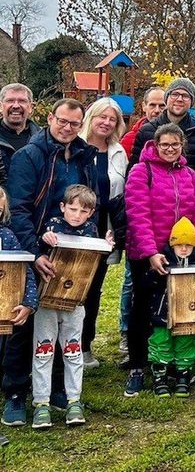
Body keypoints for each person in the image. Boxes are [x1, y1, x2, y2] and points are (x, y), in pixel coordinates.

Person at [3, 98, 97, 426]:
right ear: (50, 118)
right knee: (23, 324)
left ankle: (57, 387)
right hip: (35, 250)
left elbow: (91, 200)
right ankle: (15, 393)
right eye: (62, 121)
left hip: (72, 254)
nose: (67, 128)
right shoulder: (31, 155)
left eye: (74, 123)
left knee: (62, 323)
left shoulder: (86, 155)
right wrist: (35, 253)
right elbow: (19, 208)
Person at [123, 123, 195, 398]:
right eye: (165, 145)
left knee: (177, 309)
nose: (170, 149)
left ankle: (174, 364)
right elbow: (138, 214)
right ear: (155, 145)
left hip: (182, 253)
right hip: (147, 253)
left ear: (182, 146)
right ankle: (137, 366)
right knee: (142, 309)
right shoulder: (142, 171)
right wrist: (151, 252)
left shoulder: (189, 175)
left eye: (175, 145)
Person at [32, 185, 112, 428]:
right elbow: (41, 245)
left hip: (75, 301)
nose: (76, 215)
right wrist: (44, 239)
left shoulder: (91, 230)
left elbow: (98, 257)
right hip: (47, 301)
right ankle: (41, 403)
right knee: (43, 351)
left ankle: (74, 400)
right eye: (73, 209)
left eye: (83, 211)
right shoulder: (52, 225)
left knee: (73, 351)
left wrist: (106, 244)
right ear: (63, 207)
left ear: (91, 212)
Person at [78, 98, 128, 368]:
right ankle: (66, 346)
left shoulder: (119, 152)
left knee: (95, 289)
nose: (106, 122)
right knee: (75, 287)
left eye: (112, 119)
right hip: (77, 227)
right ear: (91, 118)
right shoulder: (76, 147)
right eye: (102, 117)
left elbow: (120, 193)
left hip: (104, 230)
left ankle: (85, 345)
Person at [129, 78, 195, 204]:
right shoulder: (147, 131)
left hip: (187, 204)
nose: (179, 99)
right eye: (175, 94)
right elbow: (134, 169)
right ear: (167, 98)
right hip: (152, 205)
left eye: (185, 96)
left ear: (191, 102)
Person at [148, 217, 195, 398]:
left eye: (188, 245)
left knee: (185, 343)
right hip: (162, 313)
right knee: (160, 342)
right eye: (179, 244)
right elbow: (147, 285)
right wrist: (154, 274)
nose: (183, 248)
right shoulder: (162, 264)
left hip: (188, 314)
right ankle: (160, 377)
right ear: (172, 244)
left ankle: (183, 376)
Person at [0, 186, 37, 434]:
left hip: (7, 312)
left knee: (13, 354)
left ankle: (14, 394)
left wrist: (28, 303)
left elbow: (27, 272)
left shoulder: (8, 236)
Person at [0, 83, 39, 174]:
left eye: (22, 101)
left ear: (30, 107)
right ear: (1, 107)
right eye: (10, 100)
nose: (16, 106)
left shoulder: (44, 141)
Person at [120, 87, 165, 157]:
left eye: (162, 106)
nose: (157, 110)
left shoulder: (177, 136)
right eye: (152, 105)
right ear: (144, 106)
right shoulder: (130, 139)